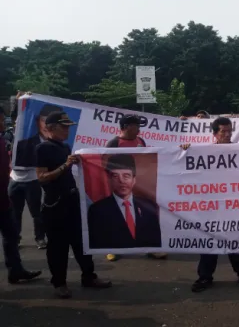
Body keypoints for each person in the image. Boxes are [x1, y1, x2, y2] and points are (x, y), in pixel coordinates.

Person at [36, 111, 111, 299]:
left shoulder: (65, 146)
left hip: (72, 201)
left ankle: (89, 276)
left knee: (82, 243)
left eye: (69, 127)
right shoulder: (42, 149)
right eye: (64, 127)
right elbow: (42, 178)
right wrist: (65, 166)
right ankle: (59, 283)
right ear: (51, 128)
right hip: (55, 205)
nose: (68, 130)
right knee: (58, 248)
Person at [191, 117, 239, 293]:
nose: (227, 134)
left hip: (233, 205)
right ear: (215, 133)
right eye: (223, 131)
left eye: (229, 131)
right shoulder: (204, 152)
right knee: (209, 241)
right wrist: (183, 151)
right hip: (211, 206)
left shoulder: (238, 151)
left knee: (235, 241)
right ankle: (205, 277)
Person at [105, 114, 166, 261]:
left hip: (140, 186)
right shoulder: (113, 143)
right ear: (126, 127)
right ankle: (113, 249)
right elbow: (105, 166)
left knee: (146, 217)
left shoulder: (141, 141)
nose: (139, 130)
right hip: (121, 188)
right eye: (136, 126)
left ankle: (150, 247)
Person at [0, 107, 42, 284]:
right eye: (2, 120)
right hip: (12, 185)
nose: (4, 123)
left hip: (4, 198)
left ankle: (16, 270)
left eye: (4, 119)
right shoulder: (9, 137)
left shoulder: (31, 138)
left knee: (10, 235)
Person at [87, 154, 162, 249]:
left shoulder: (148, 206)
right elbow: (96, 242)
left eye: (126, 176)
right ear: (109, 180)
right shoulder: (97, 210)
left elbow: (155, 238)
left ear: (134, 180)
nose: (121, 181)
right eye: (115, 176)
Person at [9, 91, 47, 249]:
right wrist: (17, 103)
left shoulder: (36, 139)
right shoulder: (12, 136)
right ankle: (16, 238)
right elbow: (14, 116)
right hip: (15, 180)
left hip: (32, 180)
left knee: (36, 213)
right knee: (15, 213)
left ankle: (39, 238)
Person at [15, 103, 62, 167]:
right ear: (37, 121)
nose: (47, 126)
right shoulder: (22, 146)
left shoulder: (65, 150)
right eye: (43, 121)